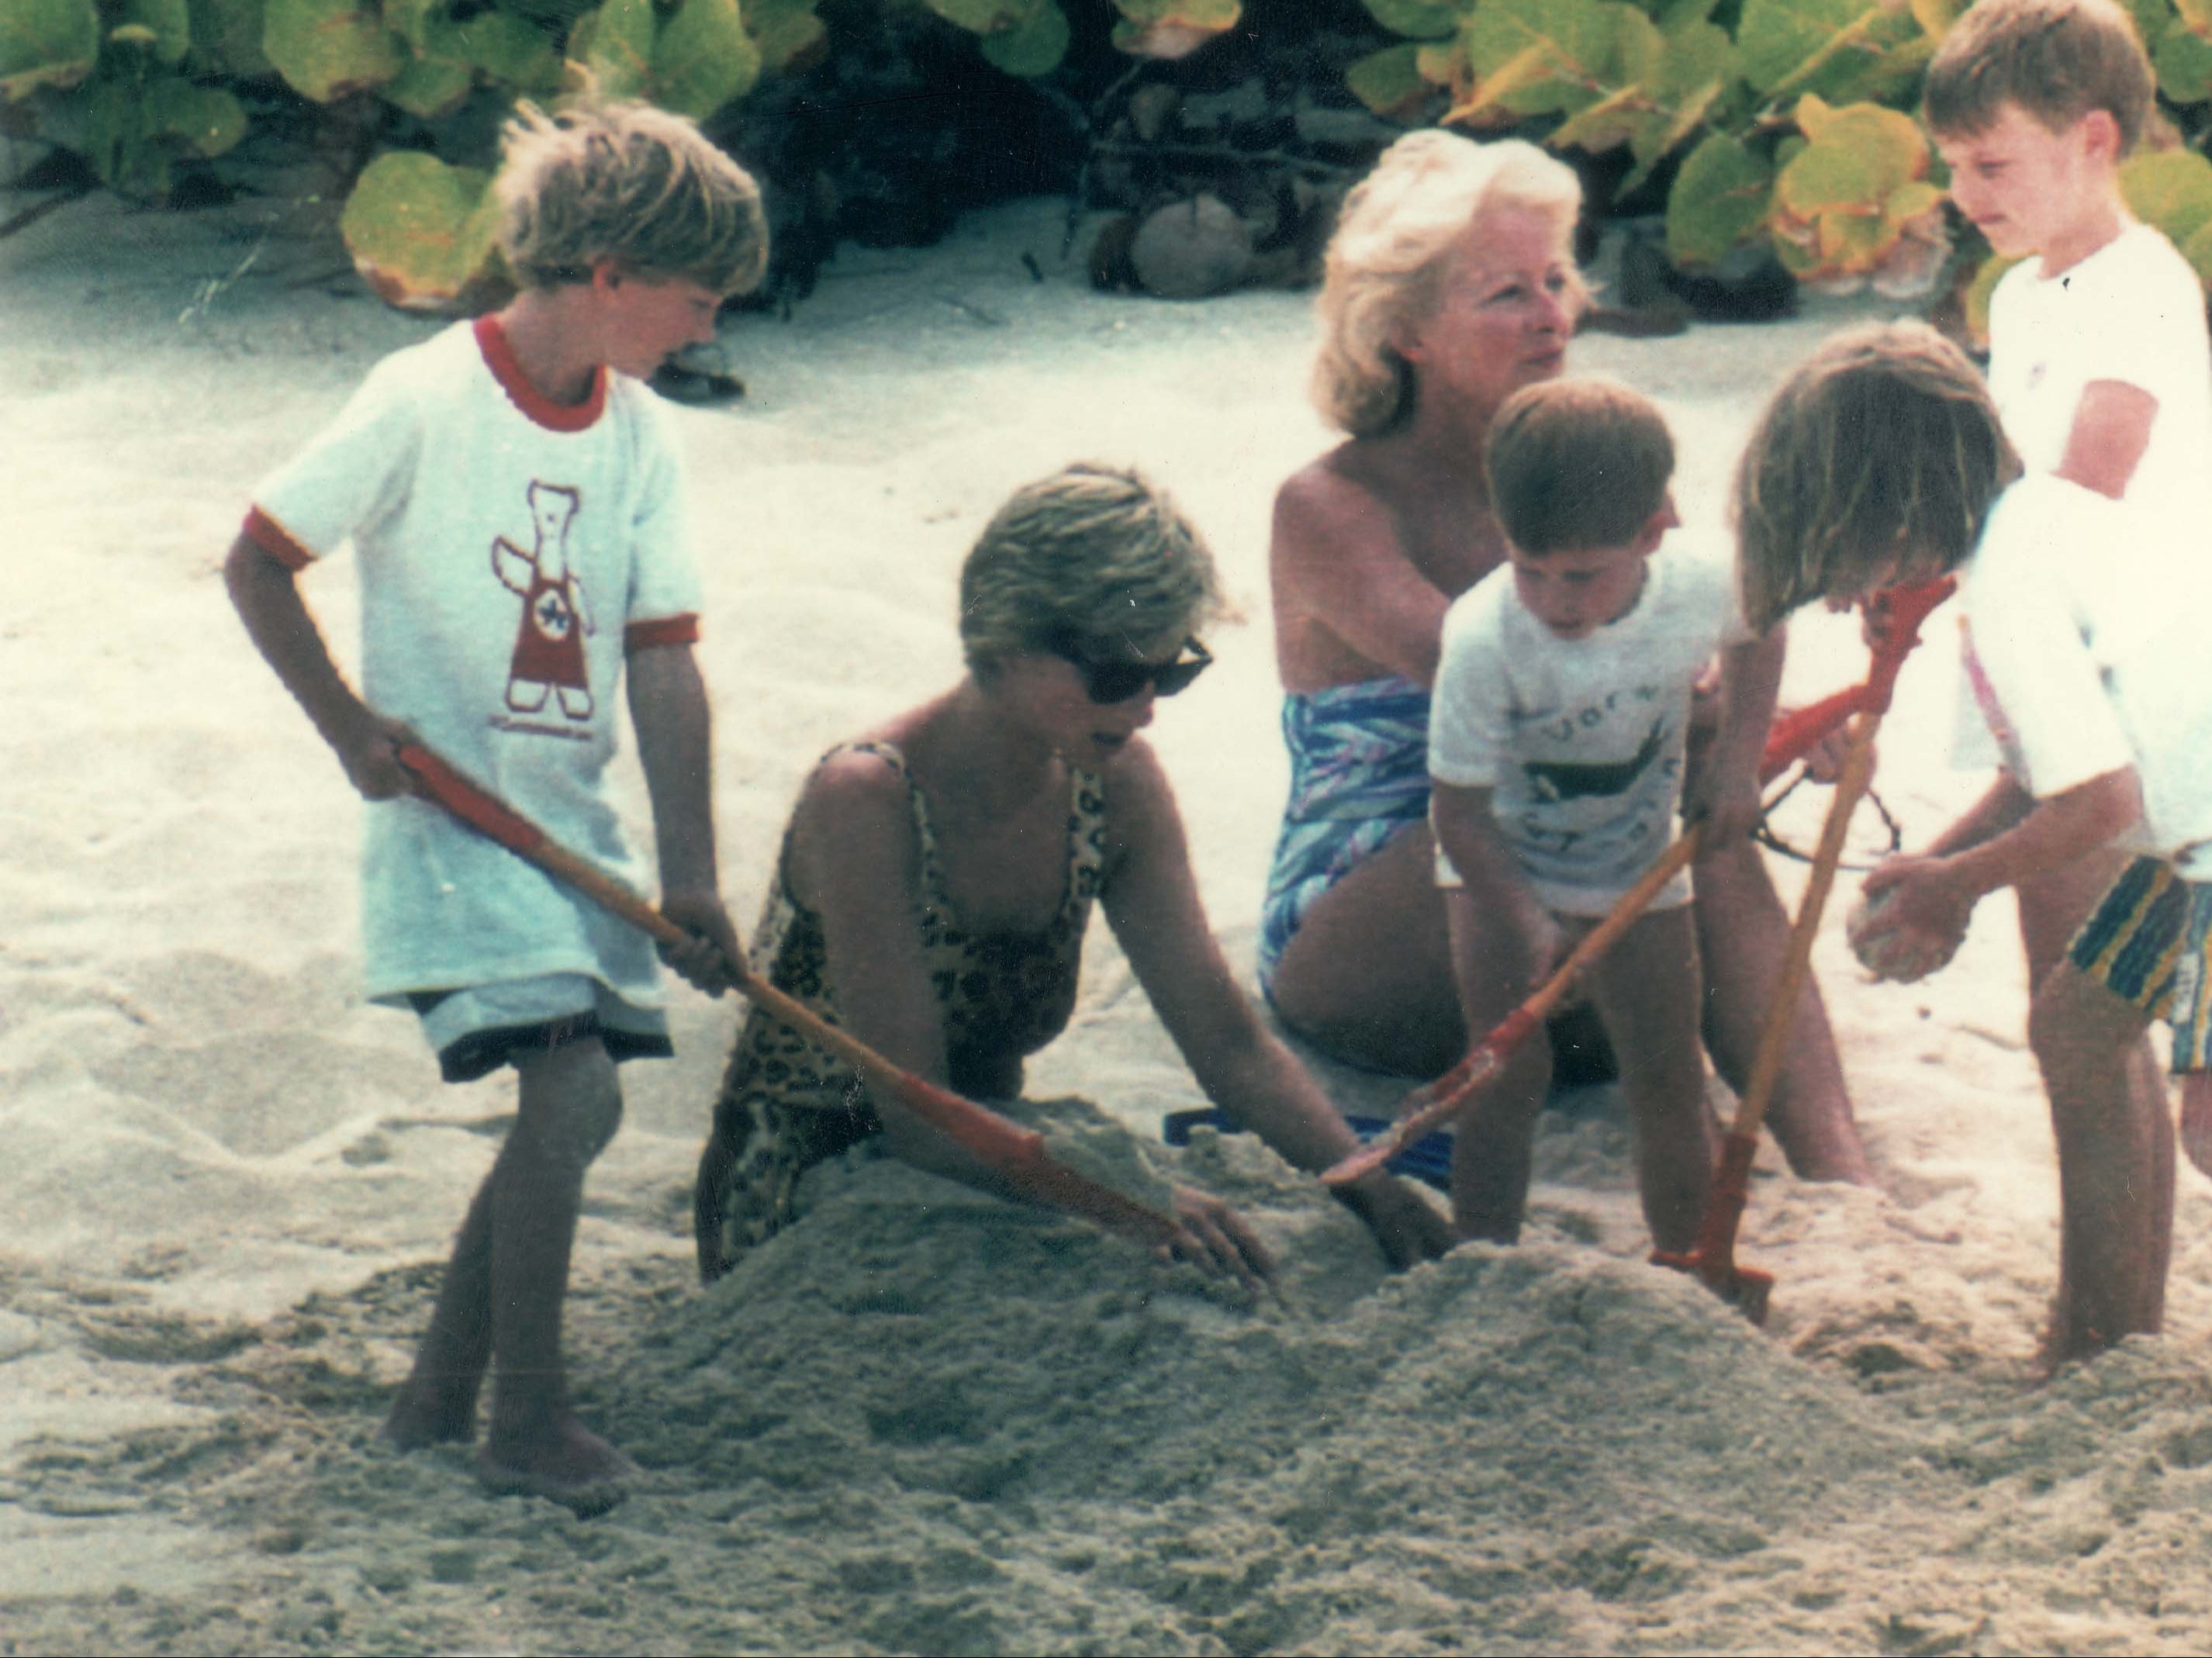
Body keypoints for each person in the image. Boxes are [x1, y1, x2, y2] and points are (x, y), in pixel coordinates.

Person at [223, 98, 769, 1511]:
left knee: (570, 1115)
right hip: (444, 823)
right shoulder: (421, 398)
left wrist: (693, 872)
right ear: (608, 274)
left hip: (567, 830)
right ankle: (526, 1418)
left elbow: (663, 661)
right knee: (573, 1087)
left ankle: (432, 1400)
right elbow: (257, 560)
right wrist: (349, 730)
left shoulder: (641, 436)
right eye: (697, 300)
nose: (706, 330)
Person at [1260, 129, 1869, 1182]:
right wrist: (1733, 728)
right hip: (1379, 922)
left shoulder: (1599, 464)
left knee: (1691, 808)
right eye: (1505, 293)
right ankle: (1828, 1167)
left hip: (1577, 911)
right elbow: (1516, 692)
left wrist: (1763, 728)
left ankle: (1844, 1174)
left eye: (1555, 279)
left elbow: (1697, 659)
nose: (1553, 315)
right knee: (1661, 796)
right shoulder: (1333, 505)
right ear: (1403, 329)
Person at [693, 464, 1453, 1285]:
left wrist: (1367, 1183)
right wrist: (1124, 1193)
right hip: (814, 1183)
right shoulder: (866, 799)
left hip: (1000, 1162)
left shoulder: (1115, 784)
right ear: (1006, 639)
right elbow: (915, 1116)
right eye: (1116, 676)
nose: (1145, 706)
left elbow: (1228, 1044)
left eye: (1171, 669)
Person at [1740, 320, 2210, 1367]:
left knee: (2127, 1065)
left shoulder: (2010, 587)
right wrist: (1941, 867)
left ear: (1896, 515)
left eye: (1842, 556)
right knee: (2083, 1030)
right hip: (2190, 844)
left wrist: (1954, 886)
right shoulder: (2036, 529)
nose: (1845, 595)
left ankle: (2097, 1338)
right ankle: (2108, 1338)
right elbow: (2054, 772)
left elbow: (2097, 801)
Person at [1922, 0, 2212, 1150]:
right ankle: (2106, 1327)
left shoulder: (2141, 284)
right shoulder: (2017, 291)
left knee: (2151, 1065)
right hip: (2067, 668)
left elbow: (2088, 482)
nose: (1965, 192)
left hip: (2140, 677)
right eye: (1952, 166)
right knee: (2078, 1020)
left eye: (1991, 162)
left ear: (2094, 140)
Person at [1427, 378, 1779, 1249]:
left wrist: (1736, 760)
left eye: (1581, 574)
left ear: (1655, 528)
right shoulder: (1481, 637)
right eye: (1527, 569)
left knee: (1665, 1077)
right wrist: (1524, 916)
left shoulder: (1703, 578)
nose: (1554, 599)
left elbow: (1760, 626)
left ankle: (1687, 1275)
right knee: (1501, 1076)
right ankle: (1479, 1267)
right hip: (1501, 871)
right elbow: (1458, 816)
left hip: (1636, 865)